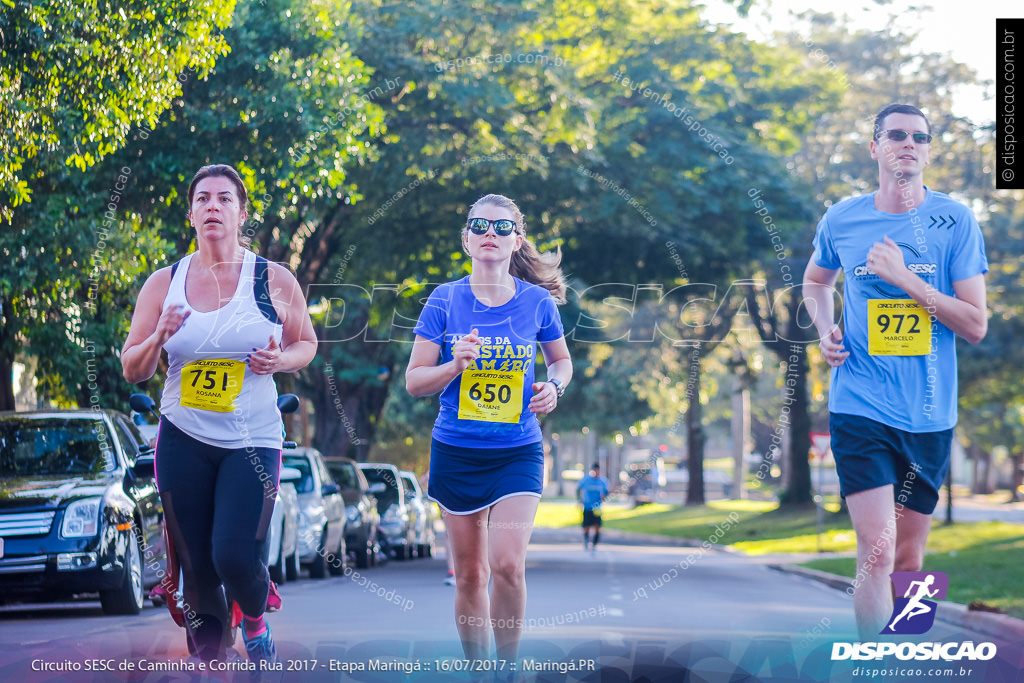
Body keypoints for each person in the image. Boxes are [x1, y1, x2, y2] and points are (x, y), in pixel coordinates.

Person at [802, 104, 987, 638]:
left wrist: (908, 280)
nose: (909, 143)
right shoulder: (842, 218)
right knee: (876, 552)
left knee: (909, 559)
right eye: (897, 135)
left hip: (929, 412)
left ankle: (906, 654)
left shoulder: (955, 220)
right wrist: (824, 330)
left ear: (928, 151)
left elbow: (975, 324)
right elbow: (816, 283)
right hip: (859, 404)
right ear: (875, 147)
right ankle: (873, 665)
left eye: (920, 137)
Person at [121, 164, 317, 666]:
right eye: (203, 198)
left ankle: (254, 618)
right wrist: (159, 336)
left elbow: (306, 344)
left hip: (252, 439)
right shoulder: (164, 283)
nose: (212, 206)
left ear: (240, 213)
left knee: (233, 554)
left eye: (224, 199)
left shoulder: (273, 279)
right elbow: (132, 369)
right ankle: (210, 662)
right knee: (198, 570)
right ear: (190, 214)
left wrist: (280, 361)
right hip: (183, 436)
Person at [406, 194, 573, 664]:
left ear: (516, 240)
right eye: (480, 225)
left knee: (507, 566)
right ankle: (479, 670)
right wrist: (453, 366)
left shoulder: (537, 303)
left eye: (502, 228)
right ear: (466, 239)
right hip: (456, 450)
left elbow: (561, 361)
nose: (490, 234)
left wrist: (554, 388)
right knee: (470, 576)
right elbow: (414, 380)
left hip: (517, 450)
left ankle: (508, 669)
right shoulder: (444, 300)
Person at [577, 463, 609, 553]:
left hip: (597, 508)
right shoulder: (586, 480)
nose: (596, 473)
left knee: (597, 526)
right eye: (594, 471)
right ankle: (586, 540)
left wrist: (604, 498)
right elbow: (578, 488)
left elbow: (606, 493)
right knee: (586, 527)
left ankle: (594, 543)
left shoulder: (603, 481)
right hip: (587, 507)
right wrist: (579, 500)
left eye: (597, 471)